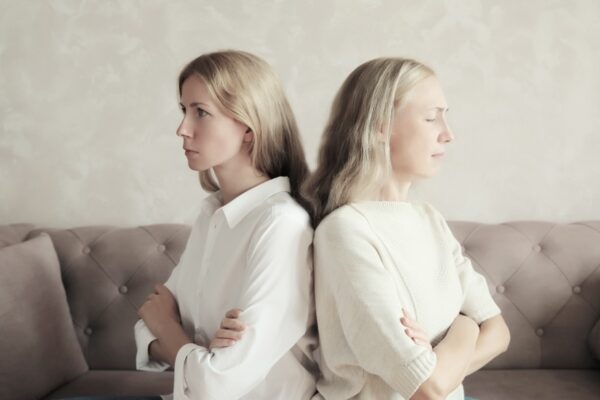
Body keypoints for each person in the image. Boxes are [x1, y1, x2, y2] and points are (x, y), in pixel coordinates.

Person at [304, 57, 511, 400]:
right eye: (431, 117)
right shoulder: (345, 231)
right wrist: (466, 326)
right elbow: (425, 387)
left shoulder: (430, 220)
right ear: (380, 125)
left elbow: (499, 332)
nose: (448, 133)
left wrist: (449, 347)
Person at [131, 50, 318, 400]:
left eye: (200, 112)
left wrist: (170, 330)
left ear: (248, 127)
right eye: (184, 111)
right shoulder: (212, 216)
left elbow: (217, 384)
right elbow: (144, 326)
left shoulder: (280, 224)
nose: (182, 129)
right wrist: (198, 352)